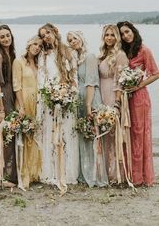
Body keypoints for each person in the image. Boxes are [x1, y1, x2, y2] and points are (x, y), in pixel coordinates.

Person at [36, 23, 79, 193]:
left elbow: (74, 75)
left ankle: (67, 172)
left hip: (67, 98)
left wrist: (68, 94)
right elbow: (42, 78)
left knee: (66, 135)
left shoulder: (68, 51)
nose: (45, 36)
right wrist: (49, 96)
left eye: (47, 32)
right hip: (50, 100)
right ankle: (51, 171)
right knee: (51, 135)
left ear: (54, 32)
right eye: (42, 35)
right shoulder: (43, 55)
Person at [117, 21, 159, 186]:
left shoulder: (144, 50)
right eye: (122, 34)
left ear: (133, 31)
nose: (125, 36)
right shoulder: (123, 52)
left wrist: (138, 85)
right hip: (125, 97)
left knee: (140, 135)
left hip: (139, 97)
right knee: (128, 135)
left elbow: (156, 73)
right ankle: (129, 174)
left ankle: (141, 177)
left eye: (127, 32)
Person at [67, 30, 108, 187]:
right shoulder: (76, 59)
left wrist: (89, 105)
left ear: (82, 38)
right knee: (84, 135)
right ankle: (85, 172)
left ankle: (96, 175)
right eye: (70, 40)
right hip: (80, 98)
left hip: (90, 98)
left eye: (75, 38)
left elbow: (91, 82)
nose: (73, 41)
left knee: (94, 136)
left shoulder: (90, 57)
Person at [98, 24, 132, 185]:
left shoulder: (120, 55)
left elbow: (120, 82)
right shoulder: (103, 54)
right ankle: (106, 172)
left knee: (114, 136)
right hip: (102, 97)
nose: (109, 38)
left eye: (112, 35)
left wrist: (117, 104)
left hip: (112, 96)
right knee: (105, 136)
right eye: (107, 35)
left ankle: (117, 174)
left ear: (117, 37)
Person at [12, 35, 43, 190]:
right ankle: (24, 174)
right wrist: (21, 106)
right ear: (29, 43)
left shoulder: (39, 63)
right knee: (24, 137)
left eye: (40, 46)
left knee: (36, 135)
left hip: (38, 101)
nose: (37, 47)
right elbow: (16, 85)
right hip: (24, 100)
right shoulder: (19, 61)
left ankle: (35, 172)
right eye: (35, 44)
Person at [0, 25, 17, 187]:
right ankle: (0, 176)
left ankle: (7, 173)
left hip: (11, 96)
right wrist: (1, 109)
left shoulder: (10, 54)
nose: (6, 39)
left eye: (8, 35)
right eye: (2, 37)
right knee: (3, 136)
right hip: (3, 98)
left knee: (9, 135)